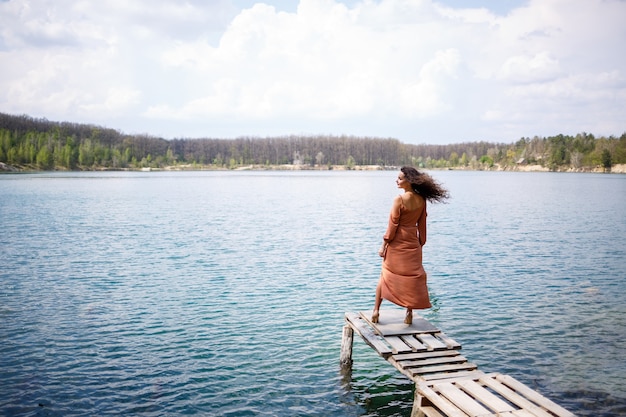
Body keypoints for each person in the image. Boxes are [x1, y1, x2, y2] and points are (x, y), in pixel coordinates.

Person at [371, 166, 449, 325]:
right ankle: (409, 314)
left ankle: (376, 311)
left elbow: (392, 226)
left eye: (399, 178)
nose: (396, 181)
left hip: (397, 243)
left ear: (409, 181)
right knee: (411, 279)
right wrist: (420, 243)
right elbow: (422, 224)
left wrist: (384, 245)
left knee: (384, 275)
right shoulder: (421, 200)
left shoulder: (399, 200)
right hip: (413, 242)